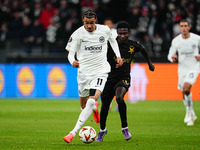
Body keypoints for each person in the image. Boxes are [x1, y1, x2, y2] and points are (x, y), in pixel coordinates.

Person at [63, 10, 123, 143]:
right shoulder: (78, 34)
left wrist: (118, 56)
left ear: (95, 20)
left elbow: (113, 41)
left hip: (100, 71)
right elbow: (70, 53)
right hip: (84, 73)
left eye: (91, 23)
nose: (89, 26)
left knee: (91, 100)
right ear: (83, 21)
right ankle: (94, 109)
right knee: (84, 106)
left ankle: (72, 133)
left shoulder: (104, 30)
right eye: (86, 23)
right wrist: (72, 61)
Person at [95, 21, 155, 142]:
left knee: (119, 98)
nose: (122, 36)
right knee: (105, 107)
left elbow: (143, 50)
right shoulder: (111, 44)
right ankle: (102, 130)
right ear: (116, 33)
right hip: (108, 78)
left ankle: (125, 128)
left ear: (129, 33)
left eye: (125, 33)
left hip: (124, 78)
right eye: (120, 33)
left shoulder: (133, 45)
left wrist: (150, 64)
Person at [167, 19, 200, 126]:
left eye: (186, 26)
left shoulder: (196, 39)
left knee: (186, 89)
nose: (184, 28)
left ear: (189, 27)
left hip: (194, 67)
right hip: (182, 69)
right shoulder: (176, 41)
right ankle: (192, 113)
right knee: (183, 92)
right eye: (182, 26)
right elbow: (170, 55)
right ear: (179, 28)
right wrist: (173, 58)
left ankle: (189, 113)